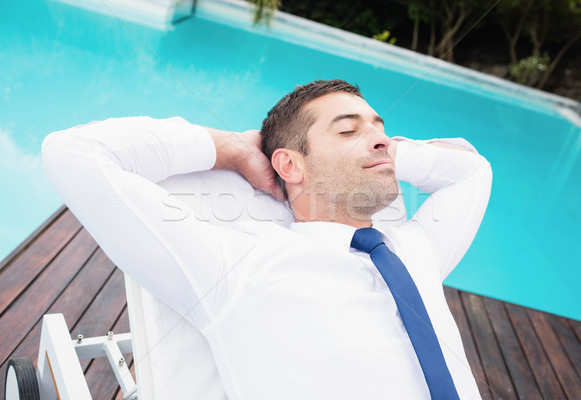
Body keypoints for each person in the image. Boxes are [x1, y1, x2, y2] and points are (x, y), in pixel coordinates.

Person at [42, 79, 492, 399]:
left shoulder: (418, 251)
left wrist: (392, 151)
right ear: (291, 166)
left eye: (380, 128)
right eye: (348, 129)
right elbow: (74, 154)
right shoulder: (235, 265)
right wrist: (231, 148)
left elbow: (472, 172)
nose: (381, 140)